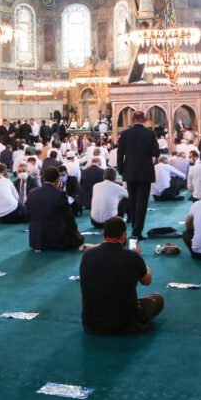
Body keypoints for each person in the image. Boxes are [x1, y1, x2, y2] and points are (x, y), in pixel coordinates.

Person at [79, 216, 164, 334]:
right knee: (157, 299)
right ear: (124, 235)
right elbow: (147, 281)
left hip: (91, 324)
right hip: (125, 324)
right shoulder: (132, 256)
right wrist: (140, 259)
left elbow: (84, 292)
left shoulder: (87, 254)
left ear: (104, 233)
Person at [116, 111, 159, 240]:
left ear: (133, 119)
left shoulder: (125, 134)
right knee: (142, 202)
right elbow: (156, 152)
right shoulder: (150, 133)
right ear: (145, 119)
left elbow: (120, 154)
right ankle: (137, 231)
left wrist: (121, 170)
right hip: (145, 172)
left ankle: (134, 227)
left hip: (130, 172)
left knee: (133, 200)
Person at [26, 167, 83, 251]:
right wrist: (75, 232)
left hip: (36, 239)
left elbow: (29, 212)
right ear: (57, 180)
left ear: (44, 178)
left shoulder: (32, 193)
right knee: (77, 239)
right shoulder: (60, 194)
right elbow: (69, 217)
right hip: (55, 238)